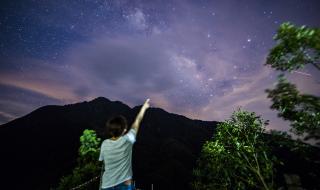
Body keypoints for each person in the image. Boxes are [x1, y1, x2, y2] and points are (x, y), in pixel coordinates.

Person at [99, 98, 150, 190]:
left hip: (106, 185)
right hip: (125, 185)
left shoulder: (104, 144)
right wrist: (144, 108)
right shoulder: (127, 140)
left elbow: (102, 159)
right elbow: (137, 122)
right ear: (124, 130)